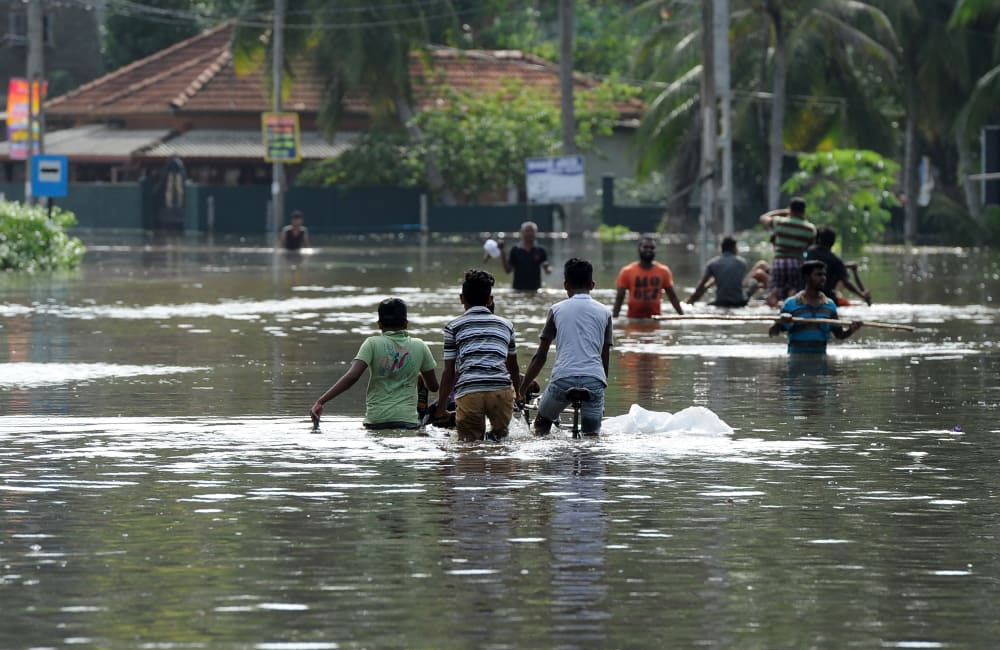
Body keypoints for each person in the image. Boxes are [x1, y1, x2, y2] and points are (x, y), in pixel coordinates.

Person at [310, 298, 438, 430]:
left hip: (376, 421)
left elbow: (352, 376)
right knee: (420, 379)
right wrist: (419, 380)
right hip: (407, 421)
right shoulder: (420, 346)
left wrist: (321, 401)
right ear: (406, 324)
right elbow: (433, 387)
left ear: (379, 324)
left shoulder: (371, 343)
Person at [520, 258, 613, 436]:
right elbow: (605, 358)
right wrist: (600, 386)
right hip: (594, 380)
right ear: (592, 285)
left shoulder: (556, 310)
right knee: (592, 437)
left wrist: (522, 390)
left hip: (563, 379)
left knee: (541, 425)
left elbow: (540, 357)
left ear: (565, 285)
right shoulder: (605, 313)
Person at [433, 269, 522, 442]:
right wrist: (518, 393)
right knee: (501, 443)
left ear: (462, 299)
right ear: (490, 300)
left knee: (470, 446)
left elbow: (449, 372)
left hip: (470, 392)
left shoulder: (453, 327)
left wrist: (441, 408)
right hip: (501, 391)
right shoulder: (507, 325)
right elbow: (513, 366)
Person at [768, 260, 863, 354]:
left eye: (824, 275)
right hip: (796, 359)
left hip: (821, 360)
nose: (823, 278)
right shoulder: (790, 304)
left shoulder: (830, 305)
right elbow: (773, 333)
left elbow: (839, 335)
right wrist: (780, 322)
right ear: (806, 277)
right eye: (818, 275)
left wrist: (852, 329)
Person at [759, 197, 816, 305]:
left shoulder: (780, 222)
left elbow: (763, 218)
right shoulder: (810, 228)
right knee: (794, 291)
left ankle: (771, 311)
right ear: (804, 210)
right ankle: (790, 309)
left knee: (774, 291)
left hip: (779, 262)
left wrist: (782, 212)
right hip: (796, 262)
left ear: (790, 209)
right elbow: (809, 247)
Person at [612, 236, 684, 318]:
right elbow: (619, 299)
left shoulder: (664, 271)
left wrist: (682, 316)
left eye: (652, 248)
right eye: (645, 247)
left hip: (655, 319)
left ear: (655, 250)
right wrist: (613, 320)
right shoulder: (627, 271)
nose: (648, 250)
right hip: (633, 319)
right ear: (639, 249)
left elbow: (672, 297)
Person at [686, 236, 761, 307]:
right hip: (739, 302)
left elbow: (702, 285)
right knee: (754, 283)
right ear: (734, 248)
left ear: (721, 249)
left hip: (721, 301)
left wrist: (691, 299)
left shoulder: (712, 263)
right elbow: (740, 282)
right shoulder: (742, 263)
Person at [805, 227, 872, 306]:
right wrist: (862, 295)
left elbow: (821, 263)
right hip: (828, 297)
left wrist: (845, 265)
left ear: (818, 240)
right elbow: (846, 282)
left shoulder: (809, 253)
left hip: (807, 295)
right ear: (833, 242)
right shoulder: (835, 260)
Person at [499, 221, 552, 291]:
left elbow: (548, 271)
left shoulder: (541, 250)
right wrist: (502, 252)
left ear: (536, 233)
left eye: (532, 231)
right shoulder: (515, 250)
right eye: (527, 231)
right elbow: (507, 270)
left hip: (535, 289)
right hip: (518, 289)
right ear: (521, 232)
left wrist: (547, 267)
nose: (530, 233)